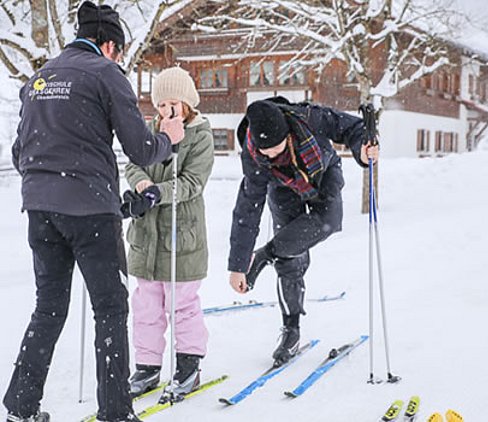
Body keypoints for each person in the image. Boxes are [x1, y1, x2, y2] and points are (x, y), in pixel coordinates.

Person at [4, 2, 184, 422]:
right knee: (110, 308)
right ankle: (116, 413)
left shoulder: (39, 79)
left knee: (48, 307)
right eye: (119, 52)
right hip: (90, 211)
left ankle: (21, 407)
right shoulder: (106, 74)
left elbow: (19, 152)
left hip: (40, 208)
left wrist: (48, 180)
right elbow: (140, 147)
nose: (119, 59)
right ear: (109, 45)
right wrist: (169, 138)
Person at [227, 97, 378, 366]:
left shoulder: (311, 119)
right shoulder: (254, 156)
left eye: (276, 148)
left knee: (328, 220)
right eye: (266, 152)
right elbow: (247, 209)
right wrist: (238, 264)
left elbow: (352, 128)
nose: (271, 155)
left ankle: (265, 254)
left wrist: (363, 150)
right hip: (282, 188)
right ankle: (291, 329)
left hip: (322, 172)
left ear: (287, 133)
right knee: (289, 259)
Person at [120, 67, 214, 400]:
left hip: (180, 235)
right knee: (146, 304)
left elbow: (192, 183)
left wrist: (159, 192)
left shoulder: (201, 136)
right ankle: (147, 366)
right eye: (161, 105)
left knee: (182, 304)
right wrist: (142, 184)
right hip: (147, 237)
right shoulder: (149, 130)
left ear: (187, 104)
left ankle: (189, 365)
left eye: (173, 103)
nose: (166, 111)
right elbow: (133, 163)